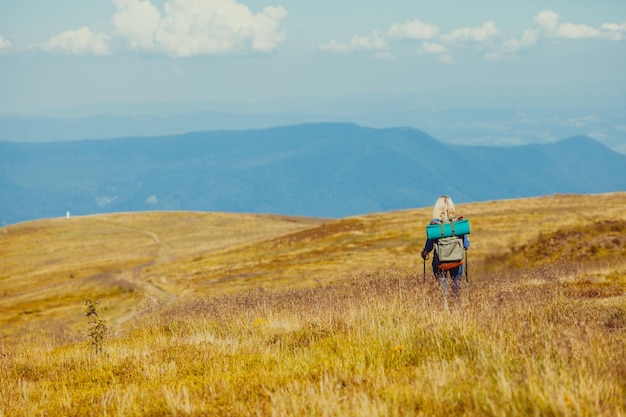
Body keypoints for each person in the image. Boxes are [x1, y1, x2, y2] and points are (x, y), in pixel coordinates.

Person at [421, 195, 470, 306]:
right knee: (456, 287)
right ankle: (458, 310)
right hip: (456, 261)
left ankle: (445, 308)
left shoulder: (434, 224)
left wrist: (424, 253)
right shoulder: (457, 224)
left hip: (440, 263)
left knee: (444, 289)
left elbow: (429, 246)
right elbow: (466, 245)